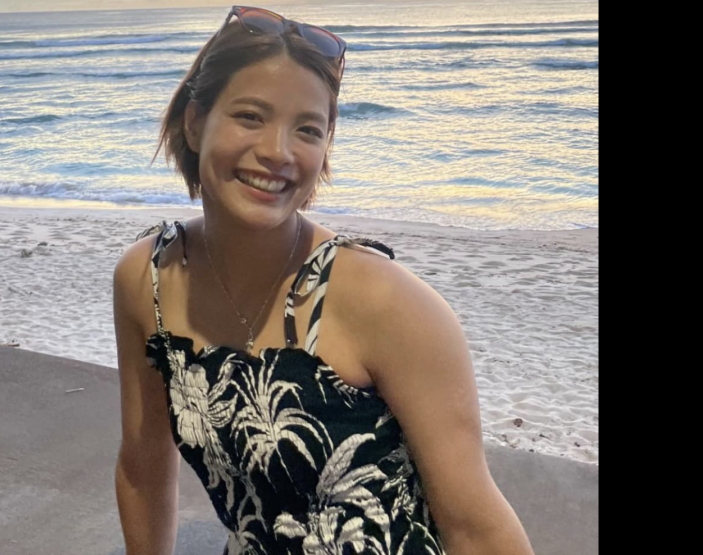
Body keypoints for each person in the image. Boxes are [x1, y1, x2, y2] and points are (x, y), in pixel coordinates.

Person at [114, 6, 534, 554]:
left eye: (308, 130)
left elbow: (476, 527)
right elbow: (143, 469)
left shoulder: (384, 302)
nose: (278, 151)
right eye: (250, 116)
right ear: (195, 122)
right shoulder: (148, 281)